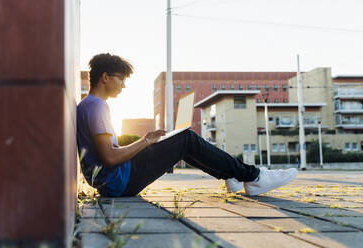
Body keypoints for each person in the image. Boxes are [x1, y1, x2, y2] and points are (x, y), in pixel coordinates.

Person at [77, 53, 298, 197]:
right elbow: (110, 158)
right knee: (185, 139)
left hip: (112, 182)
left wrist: (148, 141)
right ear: (105, 77)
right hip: (119, 182)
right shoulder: (97, 107)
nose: (124, 85)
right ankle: (255, 176)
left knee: (180, 139)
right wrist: (145, 141)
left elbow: (107, 155)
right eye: (121, 79)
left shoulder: (88, 106)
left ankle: (231, 174)